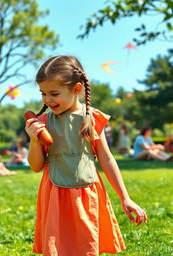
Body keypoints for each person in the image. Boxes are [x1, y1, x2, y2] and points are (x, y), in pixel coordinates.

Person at [25, 56, 147, 256]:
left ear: (76, 89)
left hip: (87, 191)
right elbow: (36, 166)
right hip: (55, 192)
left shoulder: (91, 118)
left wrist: (125, 198)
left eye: (54, 93)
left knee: (86, 241)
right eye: (43, 93)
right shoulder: (43, 121)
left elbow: (107, 159)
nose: (47, 99)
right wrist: (34, 141)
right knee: (57, 243)